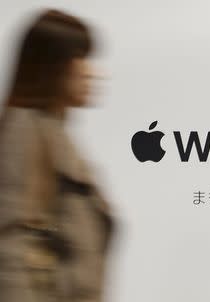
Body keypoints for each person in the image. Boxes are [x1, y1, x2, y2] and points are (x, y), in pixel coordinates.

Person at [0, 9, 114, 302]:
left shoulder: (53, 136)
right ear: (50, 66)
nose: (91, 72)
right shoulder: (23, 132)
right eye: (81, 58)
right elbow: (8, 249)